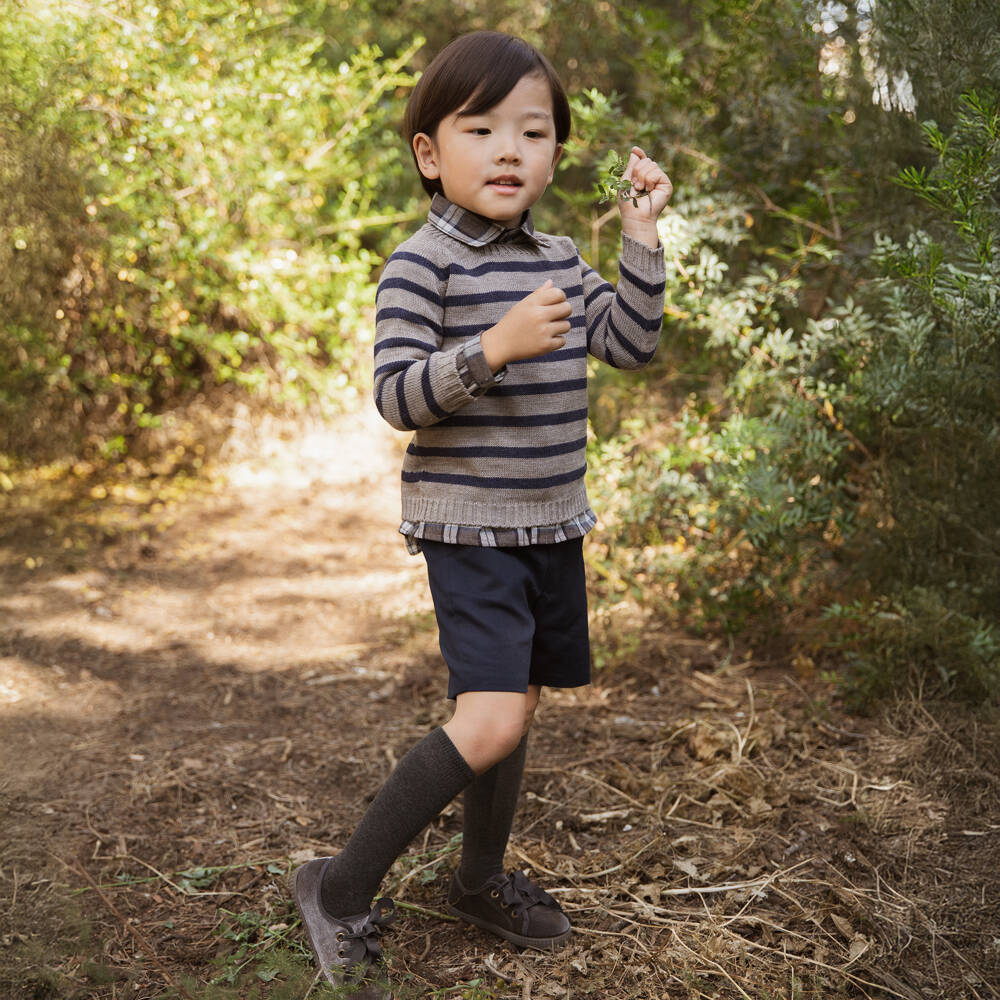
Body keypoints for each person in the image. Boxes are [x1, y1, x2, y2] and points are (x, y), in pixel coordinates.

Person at [293, 30, 672, 998]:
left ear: (554, 153)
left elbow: (628, 342)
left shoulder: (554, 254)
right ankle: (336, 888)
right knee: (491, 718)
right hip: (468, 528)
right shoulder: (421, 267)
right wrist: (494, 348)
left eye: (532, 131)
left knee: (514, 711)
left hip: (549, 523)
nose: (509, 150)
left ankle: (472, 882)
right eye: (482, 127)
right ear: (431, 152)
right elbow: (397, 398)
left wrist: (639, 239)